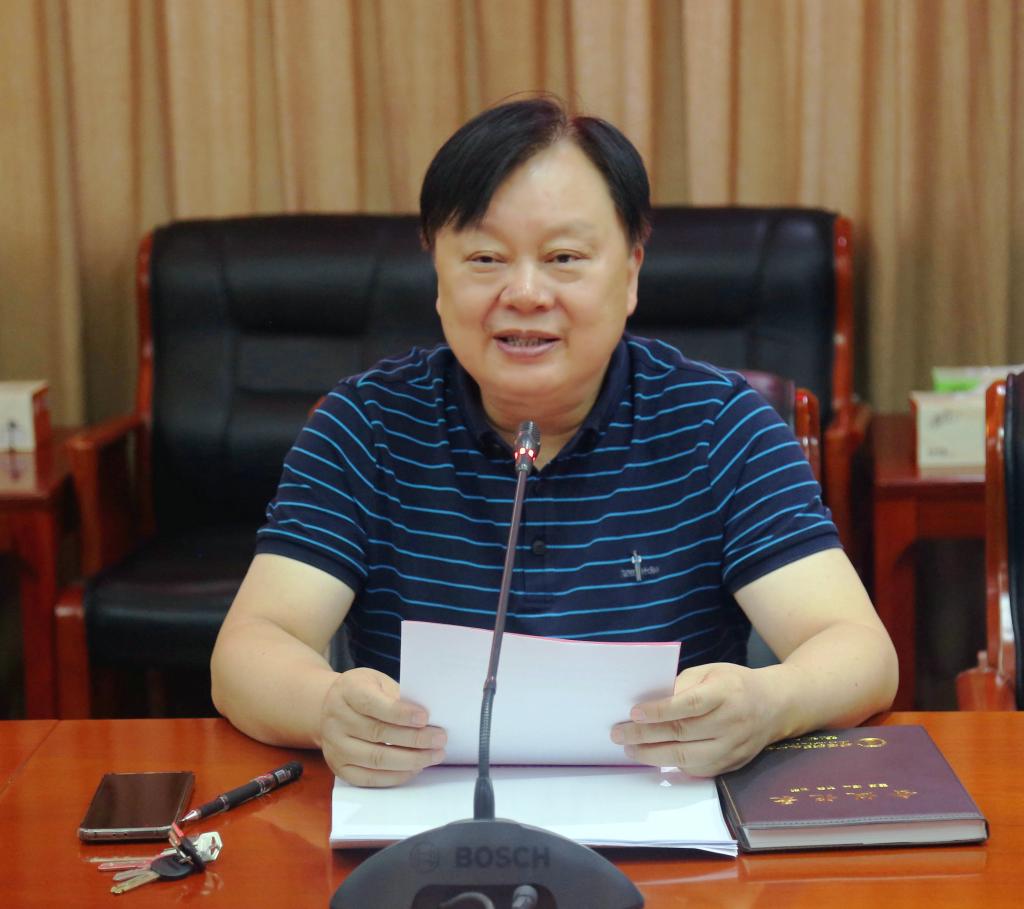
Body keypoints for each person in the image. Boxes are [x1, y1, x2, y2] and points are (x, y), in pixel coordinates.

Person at [211, 96, 897, 788]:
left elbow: (858, 650)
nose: (525, 293)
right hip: (418, 816)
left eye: (564, 257)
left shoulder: (720, 425)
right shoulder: (366, 425)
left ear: (630, 272)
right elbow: (249, 650)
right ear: (438, 276)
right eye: (485, 257)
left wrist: (771, 703)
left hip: (666, 817)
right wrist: (325, 708)